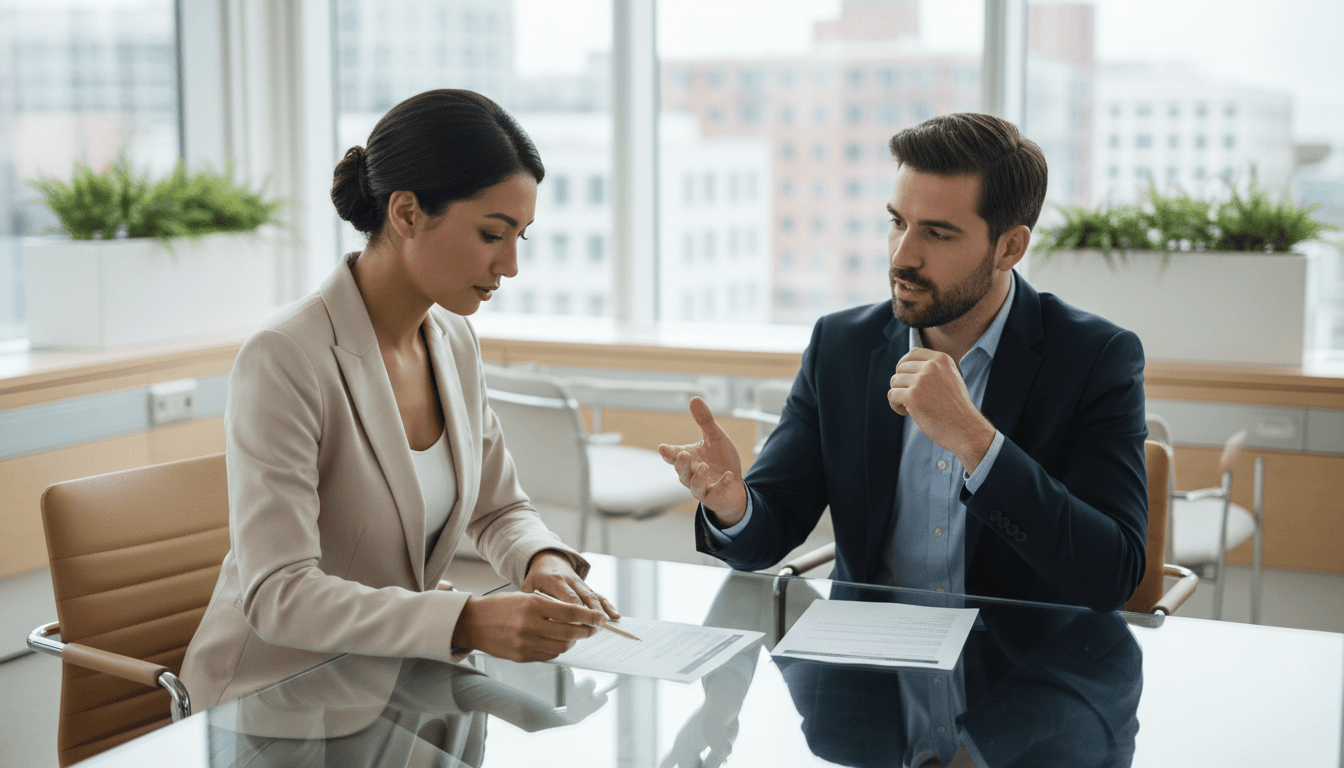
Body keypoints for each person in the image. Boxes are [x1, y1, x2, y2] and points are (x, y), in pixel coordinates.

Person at [182, 89, 617, 711]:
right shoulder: (286, 356)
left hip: (394, 688)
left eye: (521, 236)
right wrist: (464, 620)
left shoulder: (453, 340)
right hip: (273, 705)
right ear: (407, 212)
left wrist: (542, 561)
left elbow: (498, 508)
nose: (512, 266)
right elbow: (279, 592)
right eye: (494, 234)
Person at [659, 113, 1148, 612]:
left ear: (1010, 247)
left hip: (1018, 672)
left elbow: (1114, 575)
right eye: (897, 223)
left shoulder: (1094, 359)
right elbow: (769, 531)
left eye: (936, 234)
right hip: (867, 672)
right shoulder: (842, 346)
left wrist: (976, 442)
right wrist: (734, 507)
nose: (902, 256)